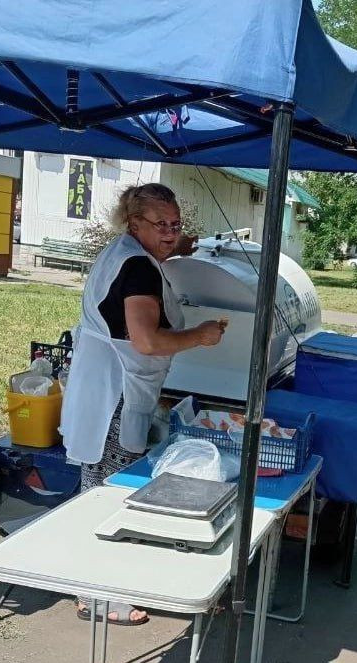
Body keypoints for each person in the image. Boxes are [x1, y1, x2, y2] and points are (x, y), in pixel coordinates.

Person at [61, 183, 225, 626]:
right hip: (114, 395)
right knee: (106, 491)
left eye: (176, 224)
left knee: (100, 485)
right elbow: (147, 340)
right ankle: (95, 594)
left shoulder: (127, 252)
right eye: (161, 225)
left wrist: (176, 244)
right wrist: (201, 336)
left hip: (108, 386)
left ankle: (99, 582)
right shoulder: (139, 270)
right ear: (134, 223)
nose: (171, 233)